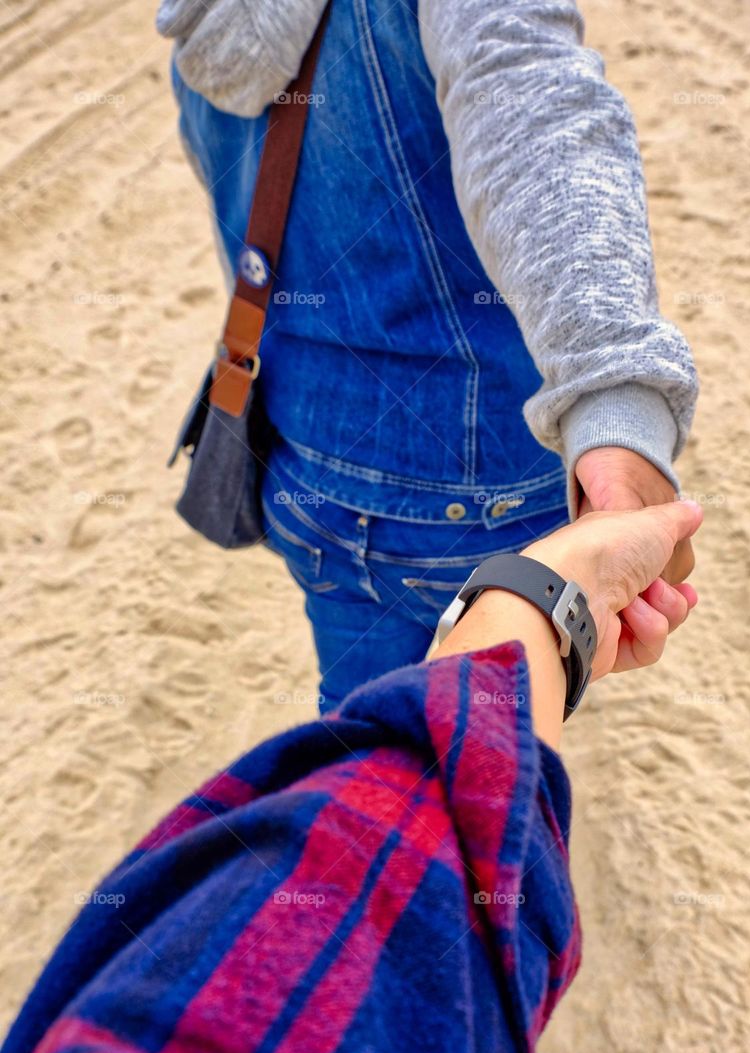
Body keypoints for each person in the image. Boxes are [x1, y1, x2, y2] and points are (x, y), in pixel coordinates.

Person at [0, 499, 701, 1053]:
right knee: (379, 723)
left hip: (327, 501)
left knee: (359, 695)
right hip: (453, 530)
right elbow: (404, 857)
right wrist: (542, 596)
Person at [157, 0, 699, 710]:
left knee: (367, 740)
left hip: (306, 460)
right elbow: (533, 110)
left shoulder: (204, 18)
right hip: (474, 493)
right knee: (489, 776)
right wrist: (613, 395)